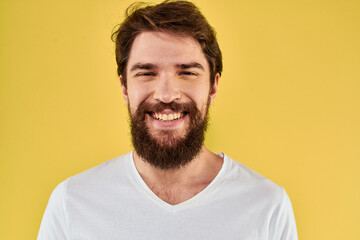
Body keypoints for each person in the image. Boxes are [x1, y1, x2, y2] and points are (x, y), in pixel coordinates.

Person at [38, 1, 298, 239]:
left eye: (187, 72)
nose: (165, 95)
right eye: (146, 73)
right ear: (125, 88)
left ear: (213, 87)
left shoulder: (267, 206)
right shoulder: (72, 203)